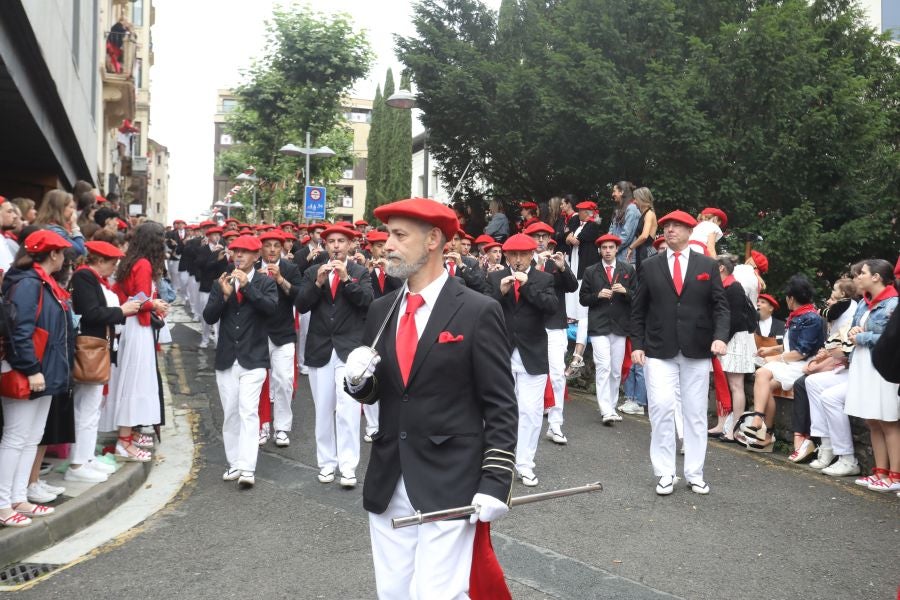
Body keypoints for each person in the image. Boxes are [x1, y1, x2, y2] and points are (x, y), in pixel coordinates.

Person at [343, 198, 517, 599]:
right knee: (394, 593)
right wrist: (358, 382)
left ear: (434, 239)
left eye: (400, 235)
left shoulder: (478, 310)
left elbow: (502, 406)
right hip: (389, 477)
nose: (387, 244)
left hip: (450, 480)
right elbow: (384, 393)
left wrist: (495, 481)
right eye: (388, 234)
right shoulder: (381, 310)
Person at [630, 210, 730, 496]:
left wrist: (720, 337)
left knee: (696, 414)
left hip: (697, 349)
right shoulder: (650, 266)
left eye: (677, 226)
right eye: (667, 226)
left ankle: (695, 473)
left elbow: (720, 306)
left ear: (690, 231)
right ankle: (664, 473)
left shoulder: (707, 265)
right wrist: (637, 345)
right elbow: (638, 310)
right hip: (659, 349)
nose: (670, 230)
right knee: (661, 408)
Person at [0, 230, 75, 526]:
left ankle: (18, 498)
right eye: (61, 253)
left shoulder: (40, 282)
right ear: (53, 255)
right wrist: (31, 369)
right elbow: (20, 330)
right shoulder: (30, 284)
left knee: (30, 438)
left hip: (44, 371)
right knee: (17, 438)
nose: (64, 258)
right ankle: (4, 503)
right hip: (30, 371)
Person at [295, 225, 373, 488]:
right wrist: (317, 283)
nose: (337, 246)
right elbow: (301, 304)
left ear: (351, 245)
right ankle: (327, 463)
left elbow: (367, 302)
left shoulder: (360, 272)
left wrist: (347, 280)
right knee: (323, 410)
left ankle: (348, 466)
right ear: (325, 245)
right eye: (331, 242)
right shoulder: (311, 271)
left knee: (349, 409)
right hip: (320, 349)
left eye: (341, 241)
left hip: (349, 350)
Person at [204, 235, 279, 489]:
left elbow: (270, 309)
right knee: (231, 412)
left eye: (245, 252)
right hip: (226, 357)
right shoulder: (222, 282)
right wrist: (224, 296)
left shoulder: (266, 282)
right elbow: (209, 316)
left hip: (254, 357)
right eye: (236, 251)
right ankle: (233, 461)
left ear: (256, 256)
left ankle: (247, 467)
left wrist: (247, 287)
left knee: (248, 411)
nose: (239, 256)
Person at [66, 242, 141, 483]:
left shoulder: (91, 278)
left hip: (99, 346)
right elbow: (91, 313)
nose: (113, 268)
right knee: (86, 409)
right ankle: (78, 464)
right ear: (99, 260)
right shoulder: (85, 277)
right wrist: (121, 311)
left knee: (92, 408)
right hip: (91, 346)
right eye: (111, 262)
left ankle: (86, 458)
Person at [488, 233, 557, 486]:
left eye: (522, 255)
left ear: (531, 255)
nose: (517, 260)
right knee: (501, 410)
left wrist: (527, 286)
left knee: (530, 410)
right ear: (506, 256)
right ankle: (501, 461)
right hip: (501, 351)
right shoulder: (495, 277)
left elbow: (551, 307)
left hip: (533, 352)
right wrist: (501, 292)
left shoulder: (544, 278)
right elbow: (483, 309)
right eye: (512, 255)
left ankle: (526, 463)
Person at [106, 222, 170, 462]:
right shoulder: (143, 265)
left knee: (130, 382)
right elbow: (141, 300)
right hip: (137, 328)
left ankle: (128, 436)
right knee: (135, 384)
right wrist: (156, 305)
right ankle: (125, 441)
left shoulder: (133, 261)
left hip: (130, 326)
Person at [740, 275, 825, 452]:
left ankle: (758, 420)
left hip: (802, 365)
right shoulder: (799, 315)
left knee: (762, 373)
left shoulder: (810, 318)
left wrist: (776, 358)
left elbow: (801, 352)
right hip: (791, 364)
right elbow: (791, 345)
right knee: (767, 386)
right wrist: (772, 350)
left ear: (791, 298)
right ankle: (767, 434)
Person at [842, 259, 899, 490]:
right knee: (872, 419)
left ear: (876, 277)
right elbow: (855, 330)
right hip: (863, 363)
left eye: (863, 273)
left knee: (888, 420)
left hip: (882, 366)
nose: (859, 277)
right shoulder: (864, 304)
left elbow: (892, 340)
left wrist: (861, 337)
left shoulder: (893, 303)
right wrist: (855, 332)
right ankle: (880, 471)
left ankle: (895, 475)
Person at [524, 222, 577, 444]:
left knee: (556, 375)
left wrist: (563, 267)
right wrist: (536, 265)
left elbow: (573, 287)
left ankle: (555, 424)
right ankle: (528, 423)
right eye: (536, 236)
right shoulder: (523, 262)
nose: (540, 240)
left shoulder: (557, 263)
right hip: (530, 326)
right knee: (529, 376)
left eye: (544, 236)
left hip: (555, 325)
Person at [579, 233, 635, 424]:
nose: (608, 251)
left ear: (617, 249)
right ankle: (605, 410)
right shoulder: (591, 271)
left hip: (620, 326)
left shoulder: (627, 269)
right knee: (603, 366)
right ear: (599, 250)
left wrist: (626, 292)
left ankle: (611, 406)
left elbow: (638, 297)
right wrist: (597, 295)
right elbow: (583, 298)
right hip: (599, 325)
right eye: (604, 248)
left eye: (611, 247)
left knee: (615, 370)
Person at [256, 230, 303, 447]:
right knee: (259, 382)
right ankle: (261, 424)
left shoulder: (291, 269)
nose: (273, 249)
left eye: (277, 245)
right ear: (261, 248)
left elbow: (300, 297)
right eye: (268, 245)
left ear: (283, 248)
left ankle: (282, 427)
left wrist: (281, 279)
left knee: (284, 381)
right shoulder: (252, 268)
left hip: (283, 333)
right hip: (257, 333)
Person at [708, 254, 757, 440]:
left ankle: (734, 428)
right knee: (724, 383)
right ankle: (723, 423)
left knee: (736, 385)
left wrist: (722, 339)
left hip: (735, 339)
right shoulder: (725, 286)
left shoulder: (734, 287)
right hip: (728, 338)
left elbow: (735, 318)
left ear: (721, 268)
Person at [564, 201, 602, 378]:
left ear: (588, 212)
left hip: (585, 265)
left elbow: (576, 239)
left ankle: (577, 357)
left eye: (581, 211)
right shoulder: (577, 224)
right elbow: (567, 238)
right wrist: (570, 238)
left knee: (583, 311)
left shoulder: (593, 226)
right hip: (575, 264)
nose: (578, 214)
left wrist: (571, 238)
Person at [196, 226, 228, 349]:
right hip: (205, 286)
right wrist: (215, 258)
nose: (216, 237)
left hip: (218, 287)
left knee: (219, 315)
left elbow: (225, 269)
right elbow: (200, 266)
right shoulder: (203, 250)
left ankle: (218, 341)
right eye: (214, 235)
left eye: (218, 235)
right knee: (205, 314)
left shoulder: (222, 250)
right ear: (209, 237)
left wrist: (223, 255)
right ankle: (204, 339)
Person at [34, 190, 86, 257]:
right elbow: (80, 251)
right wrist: (74, 226)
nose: (73, 211)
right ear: (60, 208)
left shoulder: (47, 226)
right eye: (71, 207)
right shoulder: (55, 230)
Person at [625, 187, 657, 271]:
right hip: (641, 251)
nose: (634, 202)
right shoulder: (644, 214)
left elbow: (644, 236)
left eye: (635, 199)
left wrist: (631, 247)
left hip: (646, 252)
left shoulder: (649, 214)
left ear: (641, 199)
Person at [607, 181, 637, 263]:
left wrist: (612, 248)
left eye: (614, 191)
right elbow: (611, 229)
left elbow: (627, 235)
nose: (612, 194)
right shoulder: (618, 209)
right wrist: (607, 244)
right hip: (617, 256)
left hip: (627, 258)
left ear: (621, 192)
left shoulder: (632, 208)